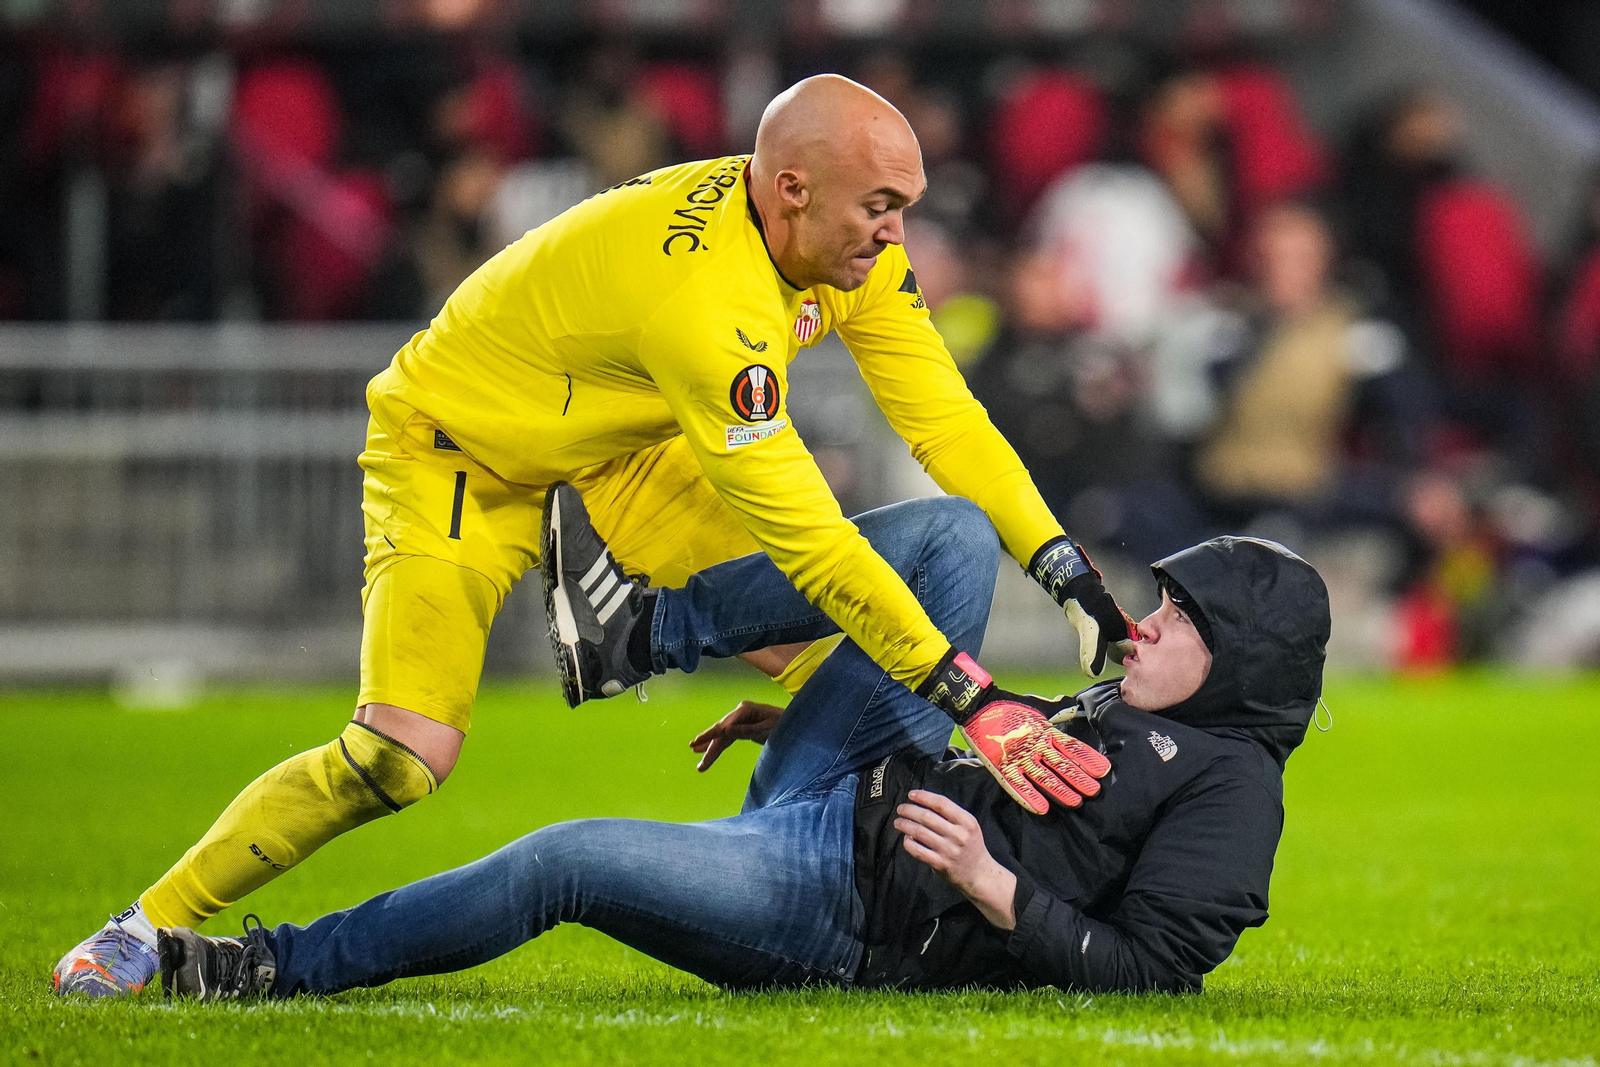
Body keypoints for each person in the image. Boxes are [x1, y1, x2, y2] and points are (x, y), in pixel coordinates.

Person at [54, 74, 1132, 996]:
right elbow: (810, 540)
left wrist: (1064, 569)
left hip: (622, 432)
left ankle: (684, 688)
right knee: (399, 756)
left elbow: (944, 418)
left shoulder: (826, 239)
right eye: (882, 206)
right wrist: (972, 696)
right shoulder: (709, 309)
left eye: (907, 205)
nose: (898, 234)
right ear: (791, 189)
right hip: (462, 449)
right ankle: (142, 928)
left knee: (843, 679)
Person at [155, 496, 1330, 999]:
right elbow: (1013, 749)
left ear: (1236, 658)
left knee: (562, 857)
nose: (1147, 619)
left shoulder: (1231, 787)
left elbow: (1155, 967)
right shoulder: (1142, 707)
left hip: (852, 903)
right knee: (952, 539)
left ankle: (269, 967)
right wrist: (802, 711)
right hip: (861, 775)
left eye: (1179, 617)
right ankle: (649, 630)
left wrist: (993, 884)